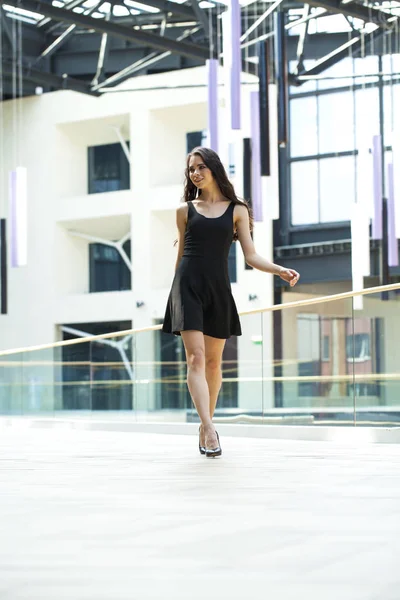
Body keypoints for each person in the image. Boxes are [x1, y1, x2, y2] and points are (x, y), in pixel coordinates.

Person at [162, 147, 300, 458]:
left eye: (200, 167)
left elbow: (250, 256)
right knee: (195, 360)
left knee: (213, 363)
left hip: (218, 289)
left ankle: (204, 423)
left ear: (213, 169)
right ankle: (209, 428)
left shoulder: (236, 210)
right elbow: (180, 255)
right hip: (187, 286)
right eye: (191, 169)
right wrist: (174, 297)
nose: (195, 173)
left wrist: (279, 269)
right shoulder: (184, 210)